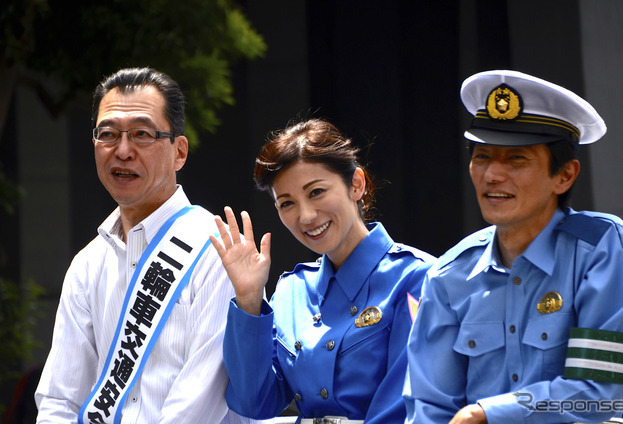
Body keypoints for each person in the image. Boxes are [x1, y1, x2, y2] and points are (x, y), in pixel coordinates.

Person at [403, 69, 623, 424]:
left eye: (516, 159)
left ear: (565, 175)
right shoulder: (449, 273)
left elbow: (601, 392)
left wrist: (487, 413)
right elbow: (429, 408)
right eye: (482, 156)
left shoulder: (602, 246)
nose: (492, 174)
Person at [34, 67, 262, 424]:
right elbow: (59, 400)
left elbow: (197, 408)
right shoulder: (87, 264)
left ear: (179, 152)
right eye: (107, 134)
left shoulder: (217, 250)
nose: (122, 151)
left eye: (142, 134)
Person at [208, 118, 435, 424]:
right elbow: (254, 402)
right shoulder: (291, 290)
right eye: (287, 203)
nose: (306, 216)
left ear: (356, 184)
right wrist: (249, 300)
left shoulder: (418, 278)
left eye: (316, 192)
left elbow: (404, 408)